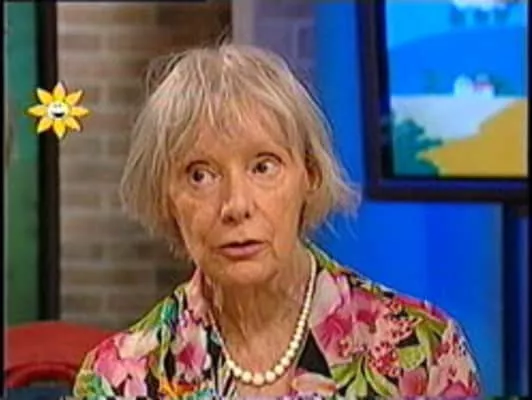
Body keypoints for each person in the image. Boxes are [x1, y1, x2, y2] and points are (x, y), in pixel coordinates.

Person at [73, 44, 481, 398]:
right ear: (166, 197)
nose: (235, 205)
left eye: (263, 166)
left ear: (310, 175)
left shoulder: (424, 351)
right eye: (200, 175)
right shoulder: (121, 378)